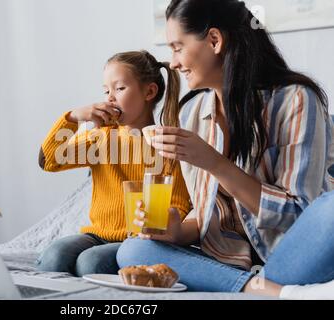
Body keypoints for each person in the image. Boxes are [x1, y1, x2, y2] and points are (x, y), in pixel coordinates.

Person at [117, 0, 334, 299]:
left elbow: (299, 215)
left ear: (215, 41)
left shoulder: (296, 100)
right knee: (132, 250)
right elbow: (208, 211)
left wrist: (214, 162)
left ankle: (268, 285)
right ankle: (269, 292)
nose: (174, 63)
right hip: (226, 264)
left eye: (178, 47)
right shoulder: (190, 113)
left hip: (287, 257)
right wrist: (179, 231)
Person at [36, 50, 191, 277]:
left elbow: (179, 207)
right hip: (98, 235)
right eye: (106, 91)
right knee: (54, 256)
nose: (110, 98)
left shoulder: (166, 144)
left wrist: (152, 222)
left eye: (119, 89)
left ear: (149, 92)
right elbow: (48, 160)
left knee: (91, 262)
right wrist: (72, 118)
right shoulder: (102, 138)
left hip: (140, 240)